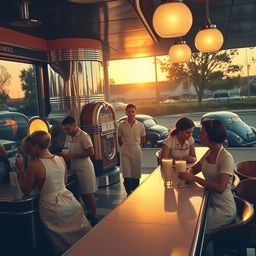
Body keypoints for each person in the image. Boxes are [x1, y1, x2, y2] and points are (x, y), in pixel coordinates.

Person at [16, 131, 91, 254]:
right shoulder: (60, 159)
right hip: (69, 202)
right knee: (80, 239)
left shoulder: (34, 165)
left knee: (63, 245)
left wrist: (20, 171)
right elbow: (64, 180)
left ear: (35, 147)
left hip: (51, 206)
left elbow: (25, 190)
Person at [178, 119, 236, 234]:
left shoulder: (226, 158)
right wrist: (189, 173)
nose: (199, 136)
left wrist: (194, 178)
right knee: (185, 214)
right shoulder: (209, 152)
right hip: (209, 202)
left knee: (190, 227)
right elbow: (195, 168)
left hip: (223, 209)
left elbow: (220, 188)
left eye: (202, 133)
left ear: (211, 136)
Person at [61, 116, 98, 225]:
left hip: (85, 168)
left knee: (88, 193)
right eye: (65, 129)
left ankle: (95, 216)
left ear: (75, 126)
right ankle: (89, 212)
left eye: (67, 128)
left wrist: (73, 155)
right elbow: (66, 149)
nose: (65, 131)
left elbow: (91, 152)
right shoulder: (69, 136)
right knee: (82, 193)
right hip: (75, 167)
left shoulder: (84, 136)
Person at [118, 104, 146, 196]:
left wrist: (135, 143)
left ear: (135, 112)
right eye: (129, 112)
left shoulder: (141, 125)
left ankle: (135, 193)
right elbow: (119, 139)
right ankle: (128, 192)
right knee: (127, 173)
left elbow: (143, 138)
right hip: (125, 150)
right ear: (126, 113)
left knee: (136, 173)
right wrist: (126, 145)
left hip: (136, 150)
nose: (131, 114)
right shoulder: (121, 125)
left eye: (132, 111)